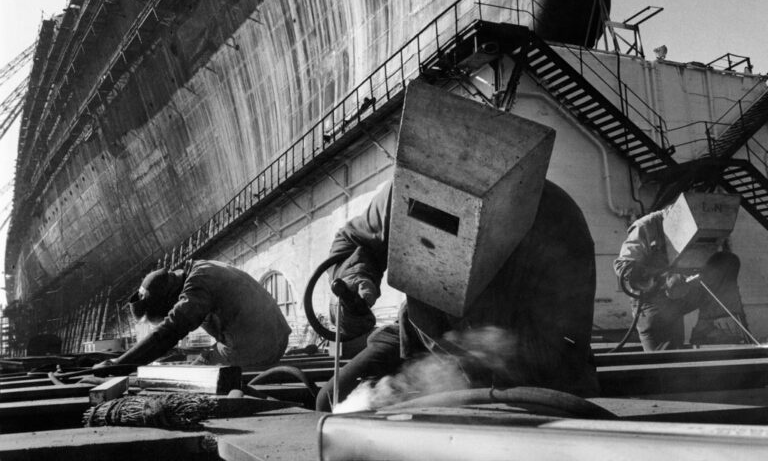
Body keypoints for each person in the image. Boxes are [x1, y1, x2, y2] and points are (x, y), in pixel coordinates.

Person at [316, 180, 600, 411]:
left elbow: (561, 344)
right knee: (331, 398)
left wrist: (440, 379)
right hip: (420, 333)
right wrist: (354, 279)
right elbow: (355, 240)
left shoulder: (555, 214)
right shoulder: (406, 191)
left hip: (523, 356)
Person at [95, 260, 291, 369]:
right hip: (266, 338)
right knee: (200, 361)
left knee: (194, 375)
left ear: (169, 300)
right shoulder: (198, 270)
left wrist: (119, 364)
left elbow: (173, 328)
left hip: (261, 346)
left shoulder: (198, 282)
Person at [614, 209, 747, 351]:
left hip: (683, 291)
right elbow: (624, 268)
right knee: (667, 361)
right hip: (653, 302)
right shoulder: (647, 226)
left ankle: (707, 329)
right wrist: (662, 279)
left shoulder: (700, 224)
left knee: (726, 262)